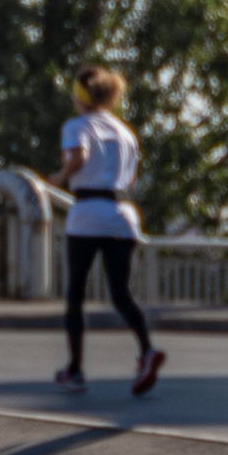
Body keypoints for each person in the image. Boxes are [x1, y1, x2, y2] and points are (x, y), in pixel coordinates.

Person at [53, 67, 164, 396]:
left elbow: (78, 157)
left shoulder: (76, 126)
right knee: (120, 292)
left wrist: (58, 178)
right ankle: (146, 350)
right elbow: (129, 179)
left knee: (75, 295)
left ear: (81, 96)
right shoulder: (125, 132)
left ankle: (74, 371)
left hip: (87, 212)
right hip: (122, 214)